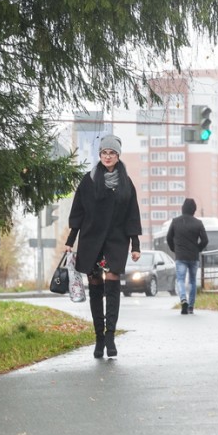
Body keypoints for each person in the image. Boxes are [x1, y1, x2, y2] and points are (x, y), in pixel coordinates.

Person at [65, 134, 142, 358]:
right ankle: (99, 338)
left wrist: (135, 245)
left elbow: (132, 215)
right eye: (104, 153)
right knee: (96, 288)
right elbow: (78, 211)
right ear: (99, 155)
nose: (107, 156)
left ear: (118, 156)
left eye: (112, 153)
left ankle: (110, 337)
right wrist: (71, 241)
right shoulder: (88, 180)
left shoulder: (126, 183)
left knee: (112, 285)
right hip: (92, 241)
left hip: (116, 242)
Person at [166, 198, 209, 315]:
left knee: (180, 279)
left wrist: (174, 249)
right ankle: (190, 306)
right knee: (192, 281)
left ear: (183, 208)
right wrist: (198, 249)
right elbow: (205, 240)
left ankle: (183, 299)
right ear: (194, 210)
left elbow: (168, 237)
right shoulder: (198, 223)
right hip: (193, 256)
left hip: (180, 256)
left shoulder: (175, 221)